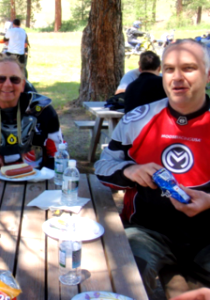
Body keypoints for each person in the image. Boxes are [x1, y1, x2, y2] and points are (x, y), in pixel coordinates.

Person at [94, 39, 210, 297]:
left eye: (188, 68)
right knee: (118, 280)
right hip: (148, 232)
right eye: (169, 69)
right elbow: (101, 167)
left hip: (206, 239)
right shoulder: (139, 118)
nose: (177, 77)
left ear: (208, 73)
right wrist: (128, 171)